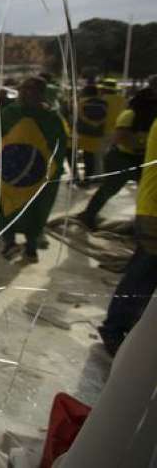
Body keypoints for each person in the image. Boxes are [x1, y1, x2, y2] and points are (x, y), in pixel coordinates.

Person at [0, 76, 66, 264]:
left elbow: (58, 145)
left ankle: (31, 247)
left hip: (36, 176)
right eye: (24, 89)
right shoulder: (7, 114)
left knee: (34, 210)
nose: (26, 93)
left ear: (41, 94)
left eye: (32, 90)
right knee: (6, 208)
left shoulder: (51, 119)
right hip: (8, 174)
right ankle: (10, 244)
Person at [98, 115, 157, 356]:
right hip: (154, 211)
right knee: (143, 274)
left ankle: (121, 326)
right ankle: (115, 328)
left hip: (150, 208)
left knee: (143, 272)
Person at [77, 88, 157, 230]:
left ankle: (144, 224)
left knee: (147, 193)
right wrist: (143, 145)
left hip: (142, 158)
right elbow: (120, 138)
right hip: (121, 158)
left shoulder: (152, 116)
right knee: (110, 188)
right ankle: (88, 215)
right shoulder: (130, 115)